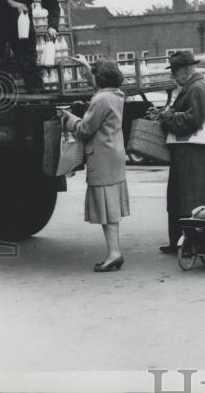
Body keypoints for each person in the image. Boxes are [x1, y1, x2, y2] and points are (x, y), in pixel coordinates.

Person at [59, 59, 127, 272]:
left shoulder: (101, 99)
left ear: (100, 78)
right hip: (114, 155)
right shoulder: (116, 95)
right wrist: (87, 67)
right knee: (111, 208)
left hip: (101, 158)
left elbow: (85, 130)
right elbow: (98, 88)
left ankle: (114, 253)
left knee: (107, 211)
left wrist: (68, 118)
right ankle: (114, 252)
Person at [151, 51, 205, 255]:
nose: (172, 76)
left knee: (191, 199)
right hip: (191, 154)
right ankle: (182, 242)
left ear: (185, 70)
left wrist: (167, 118)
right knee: (182, 198)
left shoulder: (196, 88)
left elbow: (193, 120)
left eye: (174, 71)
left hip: (194, 156)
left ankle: (192, 243)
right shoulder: (194, 86)